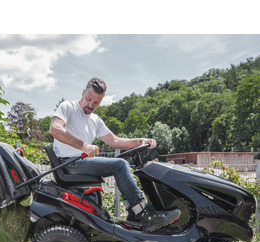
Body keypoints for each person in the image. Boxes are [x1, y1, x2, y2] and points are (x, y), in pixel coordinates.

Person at [49, 77, 180, 232]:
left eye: (96, 103)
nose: (91, 105)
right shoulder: (68, 107)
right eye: (88, 99)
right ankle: (145, 216)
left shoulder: (95, 120)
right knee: (120, 165)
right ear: (83, 93)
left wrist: (141, 141)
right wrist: (83, 146)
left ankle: (134, 214)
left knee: (121, 165)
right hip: (68, 163)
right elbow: (54, 129)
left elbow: (115, 141)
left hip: (80, 162)